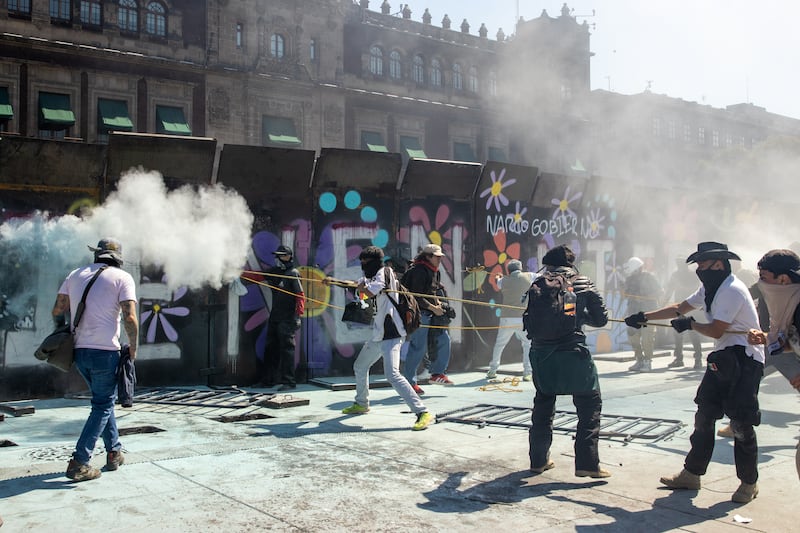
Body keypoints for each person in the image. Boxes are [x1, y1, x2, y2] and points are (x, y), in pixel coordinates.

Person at [625, 242, 764, 504]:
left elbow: (717, 330)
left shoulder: (732, 290)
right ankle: (692, 474)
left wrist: (691, 325)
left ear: (718, 264)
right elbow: (681, 306)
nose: (699, 269)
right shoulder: (710, 288)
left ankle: (749, 482)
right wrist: (645, 316)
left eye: (702, 264)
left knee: (741, 423)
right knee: (704, 415)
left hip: (745, 359)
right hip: (723, 356)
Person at [51, 238, 138, 482]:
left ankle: (114, 452)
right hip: (106, 353)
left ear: (96, 255)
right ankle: (80, 461)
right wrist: (133, 347)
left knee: (103, 400)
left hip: (79, 352)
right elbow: (130, 317)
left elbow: (57, 309)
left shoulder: (74, 275)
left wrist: (62, 331)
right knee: (102, 404)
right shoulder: (122, 278)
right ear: (118, 258)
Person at [325, 246, 433, 431]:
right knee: (360, 366)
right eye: (361, 261)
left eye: (365, 261)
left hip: (392, 333)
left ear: (375, 262)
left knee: (392, 375)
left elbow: (369, 291)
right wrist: (334, 281)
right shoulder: (369, 277)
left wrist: (362, 288)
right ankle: (362, 403)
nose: (363, 265)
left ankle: (422, 412)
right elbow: (358, 288)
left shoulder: (385, 272)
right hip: (379, 334)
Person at [527, 244, 610, 478]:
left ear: (548, 263)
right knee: (589, 405)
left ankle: (538, 461)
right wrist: (579, 316)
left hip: (541, 355)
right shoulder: (582, 282)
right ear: (571, 263)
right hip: (573, 352)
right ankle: (587, 464)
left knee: (543, 405)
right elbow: (601, 319)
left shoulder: (538, 283)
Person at [745, 249, 800, 481]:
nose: (761, 284)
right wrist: (767, 338)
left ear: (783, 279)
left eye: (764, 278)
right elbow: (793, 341)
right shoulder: (791, 304)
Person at [401, 244, 454, 391]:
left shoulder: (435, 271)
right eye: (437, 257)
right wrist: (434, 308)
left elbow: (432, 292)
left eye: (440, 257)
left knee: (444, 339)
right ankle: (409, 383)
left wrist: (439, 305)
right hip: (419, 314)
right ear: (427, 257)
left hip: (431, 313)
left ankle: (437, 374)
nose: (439, 260)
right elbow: (415, 297)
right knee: (418, 347)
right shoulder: (418, 271)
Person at [262, 245, 305, 391]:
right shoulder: (275, 272)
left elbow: (300, 295)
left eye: (282, 255)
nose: (279, 258)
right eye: (278, 255)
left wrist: (298, 315)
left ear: (289, 256)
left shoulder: (293, 273)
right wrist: (238, 275)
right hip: (275, 317)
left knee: (287, 350)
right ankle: (268, 380)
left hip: (287, 318)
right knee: (270, 349)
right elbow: (257, 276)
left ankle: (289, 381)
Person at [487, 259, 534, 381]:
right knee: (527, 344)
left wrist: (499, 277)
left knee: (500, 344)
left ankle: (492, 370)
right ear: (520, 268)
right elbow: (540, 276)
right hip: (522, 318)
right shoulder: (530, 276)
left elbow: (498, 282)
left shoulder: (503, 281)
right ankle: (527, 372)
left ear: (508, 270)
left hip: (506, 318)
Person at [622, 257, 662, 372]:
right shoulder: (629, 279)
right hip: (633, 313)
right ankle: (639, 360)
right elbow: (626, 295)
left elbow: (660, 291)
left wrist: (645, 297)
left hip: (648, 313)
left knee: (647, 339)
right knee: (633, 337)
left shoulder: (649, 277)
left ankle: (647, 361)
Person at [663, 257, 704, 369]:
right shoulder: (681, 275)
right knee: (680, 333)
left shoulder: (689, 275)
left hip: (688, 307)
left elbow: (698, 289)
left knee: (691, 333)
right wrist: (665, 301)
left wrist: (664, 301)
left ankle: (695, 359)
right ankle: (681, 358)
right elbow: (670, 289)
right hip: (683, 307)